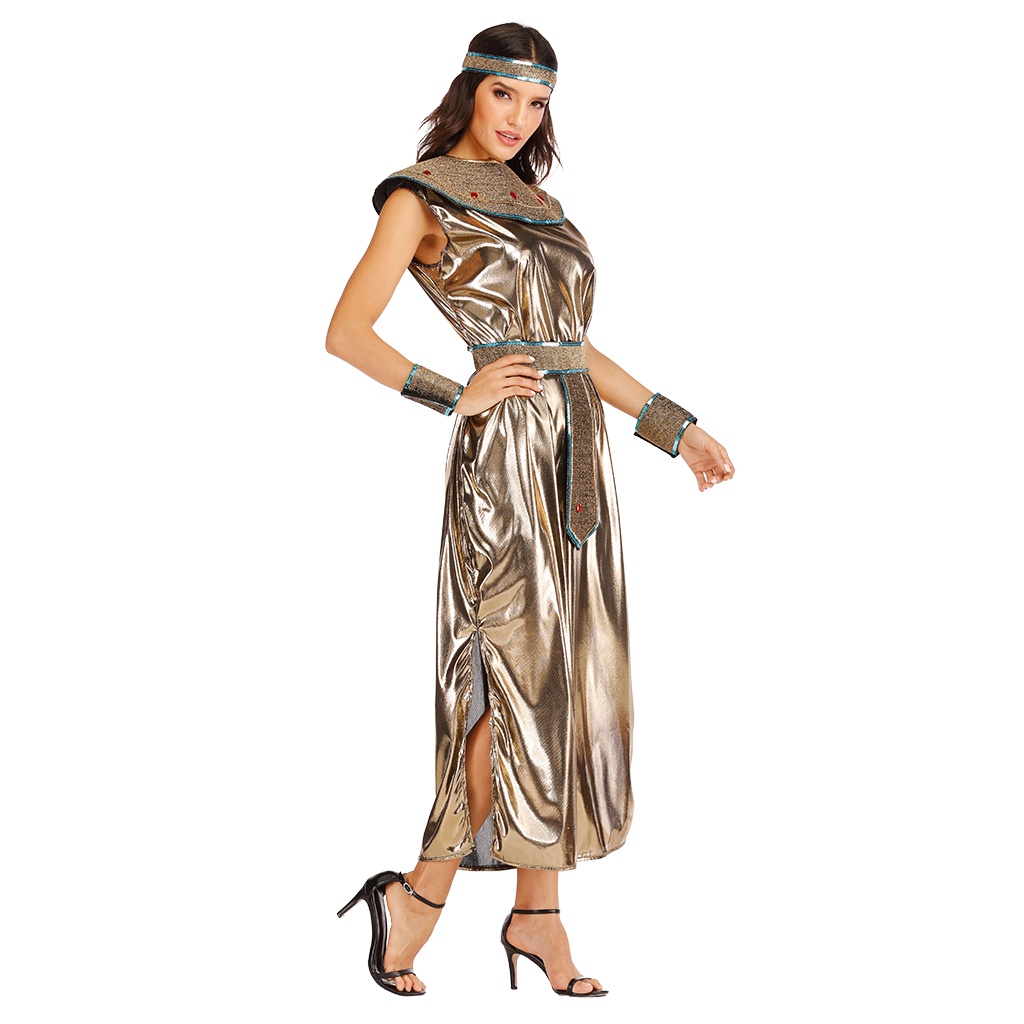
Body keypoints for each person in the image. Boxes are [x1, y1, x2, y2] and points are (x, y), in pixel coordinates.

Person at [326, 22, 734, 999]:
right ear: (469, 89)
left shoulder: (542, 207)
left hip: (578, 458)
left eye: (537, 101)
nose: (519, 117)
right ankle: (417, 896)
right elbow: (347, 331)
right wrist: (452, 391)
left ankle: (537, 915)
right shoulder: (420, 195)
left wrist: (676, 429)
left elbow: (571, 348)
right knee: (508, 680)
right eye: (503, 94)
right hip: (504, 461)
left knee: (565, 682)